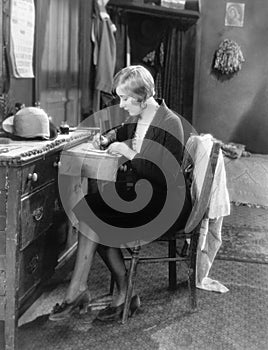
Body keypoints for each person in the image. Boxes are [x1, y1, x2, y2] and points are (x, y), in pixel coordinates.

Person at [49, 65, 191, 322]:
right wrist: (106, 139)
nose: (122, 104)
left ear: (144, 96)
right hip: (145, 195)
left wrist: (125, 152)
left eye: (125, 99)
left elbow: (160, 175)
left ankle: (113, 292)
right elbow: (122, 131)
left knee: (95, 215)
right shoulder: (142, 116)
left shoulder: (170, 123)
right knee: (90, 208)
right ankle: (87, 290)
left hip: (167, 203)